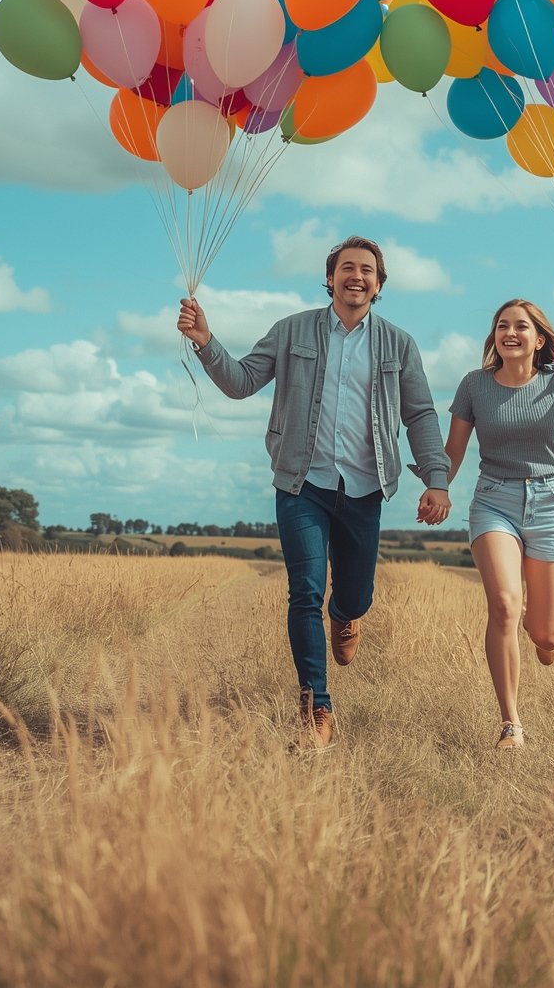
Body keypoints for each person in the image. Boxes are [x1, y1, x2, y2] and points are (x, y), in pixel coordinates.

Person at [177, 236, 451, 749]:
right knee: (305, 591)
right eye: (347, 268)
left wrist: (436, 478)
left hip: (365, 487)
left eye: (367, 270)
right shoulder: (292, 330)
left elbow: (419, 414)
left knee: (353, 594)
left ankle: (347, 617)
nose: (357, 276)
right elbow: (241, 382)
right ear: (330, 278)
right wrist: (205, 340)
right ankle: (316, 709)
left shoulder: (399, 344)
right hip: (302, 483)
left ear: (379, 284)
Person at [422, 288, 554, 750]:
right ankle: (510, 725)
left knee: (547, 634)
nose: (510, 332)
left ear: (540, 339)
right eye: (503, 326)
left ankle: (543, 638)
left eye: (521, 326)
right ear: (494, 337)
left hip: (552, 504)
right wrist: (438, 486)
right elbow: (454, 451)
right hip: (494, 500)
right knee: (503, 603)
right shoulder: (473, 385)